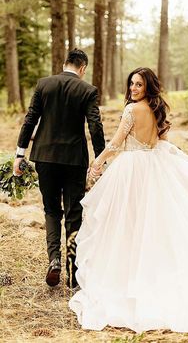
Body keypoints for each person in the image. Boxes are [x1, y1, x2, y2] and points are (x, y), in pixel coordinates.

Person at [69, 67, 188, 333]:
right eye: (132, 84)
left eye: (139, 85)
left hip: (132, 170)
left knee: (129, 223)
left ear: (148, 87)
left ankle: (132, 278)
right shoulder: (157, 110)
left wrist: (97, 162)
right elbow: (161, 141)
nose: (134, 88)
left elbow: (117, 143)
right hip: (155, 168)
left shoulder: (131, 110)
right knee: (152, 223)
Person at [13, 48, 105, 289]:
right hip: (74, 159)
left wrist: (19, 154)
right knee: (74, 213)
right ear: (82, 68)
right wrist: (100, 159)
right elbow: (95, 126)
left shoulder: (44, 85)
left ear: (65, 63)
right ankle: (72, 272)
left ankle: (53, 258)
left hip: (45, 157)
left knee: (51, 209)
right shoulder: (87, 90)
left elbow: (30, 119)